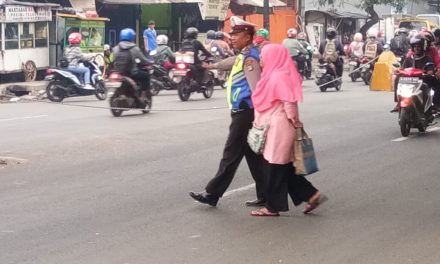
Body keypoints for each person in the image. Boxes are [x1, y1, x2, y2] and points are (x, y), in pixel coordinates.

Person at [189, 16, 267, 207]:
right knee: (253, 155)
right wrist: (212, 65)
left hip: (246, 112)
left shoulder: (250, 57)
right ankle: (266, 194)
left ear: (248, 37)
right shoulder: (245, 54)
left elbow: (256, 87)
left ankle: (212, 193)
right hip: (244, 111)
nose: (231, 37)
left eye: (236, 34)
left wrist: (260, 114)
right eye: (231, 34)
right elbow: (231, 61)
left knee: (231, 154)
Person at [250, 44, 326, 216]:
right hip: (274, 125)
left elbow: (289, 101)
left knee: (274, 167)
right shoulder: (274, 74)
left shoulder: (278, 76)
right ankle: (311, 194)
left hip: (279, 127)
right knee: (282, 166)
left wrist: (294, 120)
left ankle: (273, 207)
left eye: (263, 56)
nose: (261, 60)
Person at [113, 28, 153, 103]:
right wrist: (151, 62)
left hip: (118, 73)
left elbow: (113, 60)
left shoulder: (115, 48)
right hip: (131, 73)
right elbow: (143, 60)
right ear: (132, 37)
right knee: (146, 76)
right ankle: (142, 97)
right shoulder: (134, 48)